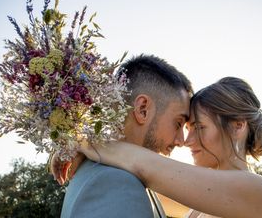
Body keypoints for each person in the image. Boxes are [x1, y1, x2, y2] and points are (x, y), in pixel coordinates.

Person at [53, 77, 262, 218]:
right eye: (187, 127)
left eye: (200, 127)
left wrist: (81, 140)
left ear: (238, 126)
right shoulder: (196, 203)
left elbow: (141, 164)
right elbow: (128, 178)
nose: (187, 140)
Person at [54, 54, 193, 218]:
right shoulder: (114, 182)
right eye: (178, 123)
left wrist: (83, 141)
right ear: (143, 109)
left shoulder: (127, 179)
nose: (181, 141)